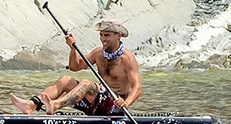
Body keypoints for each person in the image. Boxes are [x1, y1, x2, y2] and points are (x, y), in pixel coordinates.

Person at [10, 18, 140, 115]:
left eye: (107, 35)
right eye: (101, 35)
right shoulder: (98, 53)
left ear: (118, 35)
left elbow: (137, 87)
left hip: (114, 105)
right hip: (96, 101)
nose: (103, 39)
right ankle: (31, 105)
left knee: (86, 83)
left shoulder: (127, 58)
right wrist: (72, 49)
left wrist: (126, 103)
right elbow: (74, 66)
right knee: (66, 80)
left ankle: (54, 105)